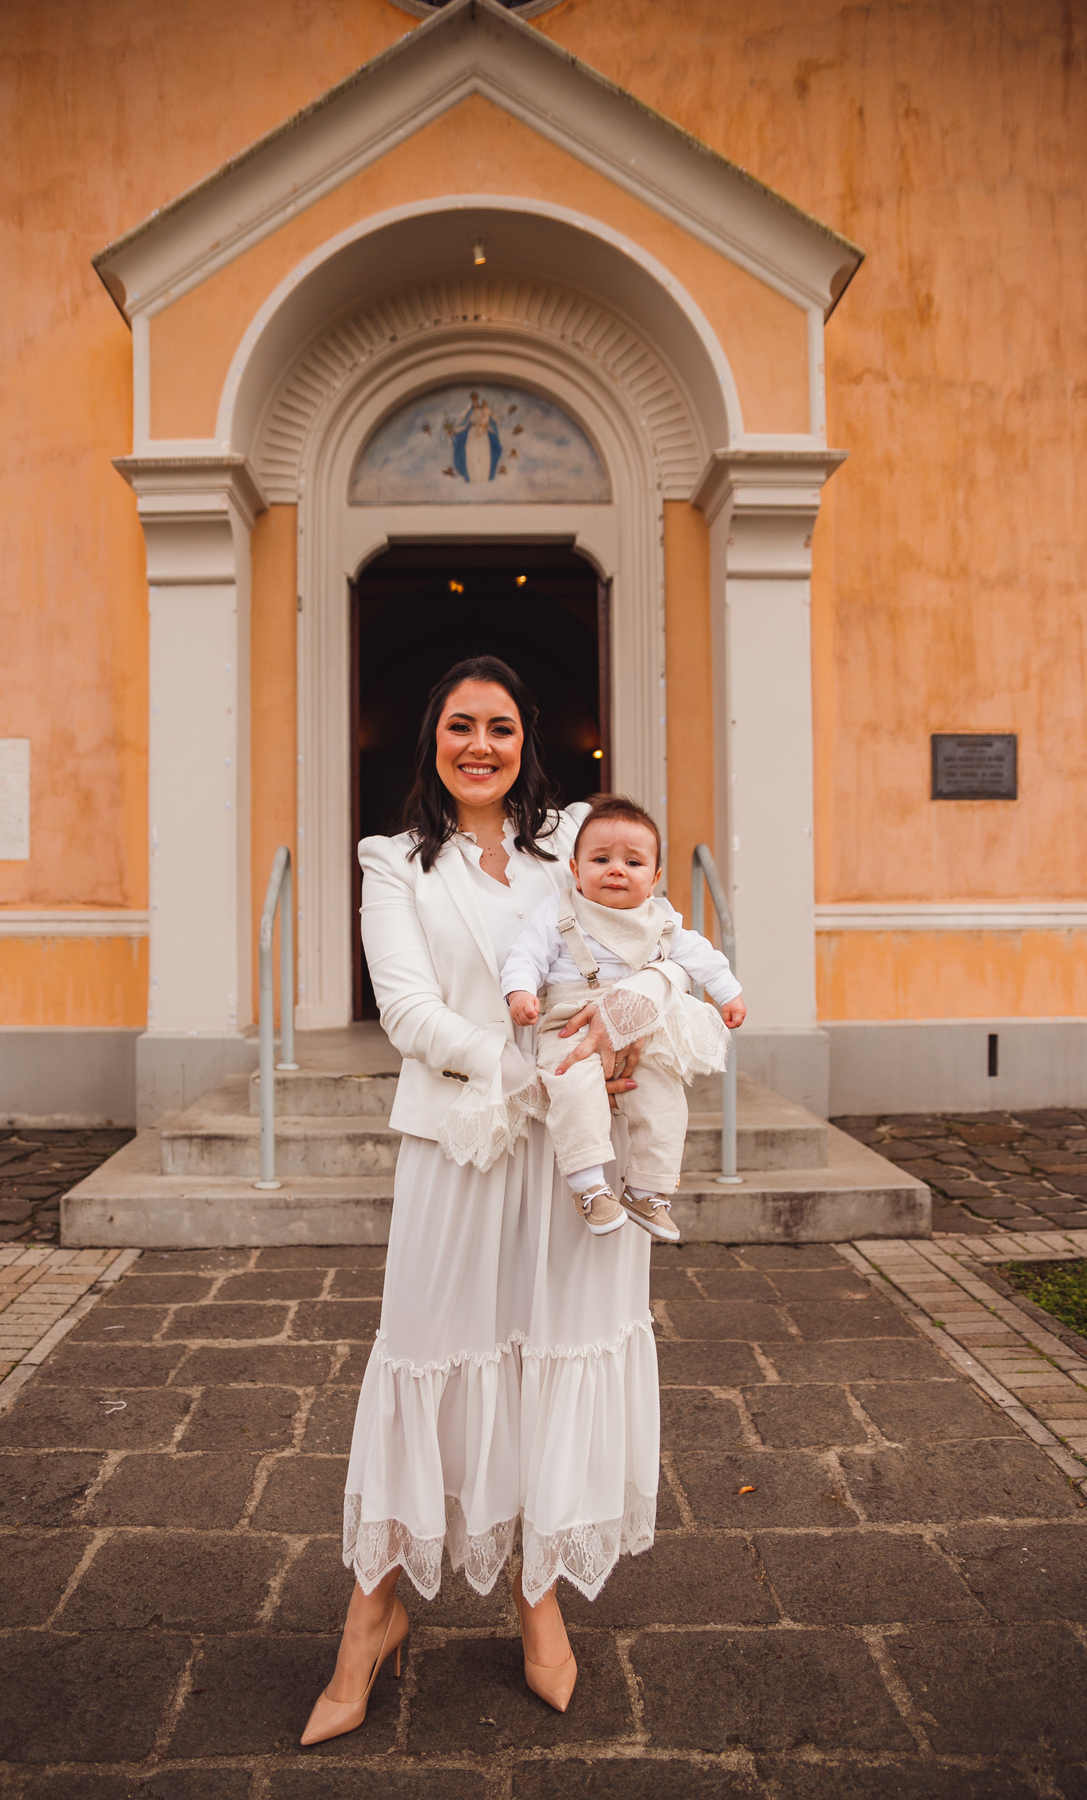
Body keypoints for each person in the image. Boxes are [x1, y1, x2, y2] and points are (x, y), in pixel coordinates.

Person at [301, 656, 660, 1746]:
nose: (481, 746)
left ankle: (536, 1592)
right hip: (460, 1147)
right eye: (461, 726)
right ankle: (374, 1612)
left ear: (526, 739)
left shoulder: (571, 840)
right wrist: (527, 1068)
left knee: (551, 1351)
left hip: (575, 1156)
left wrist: (623, 1027)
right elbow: (407, 1010)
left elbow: (646, 936)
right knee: (430, 1350)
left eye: (499, 727)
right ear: (433, 739)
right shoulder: (395, 863)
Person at [500, 794, 746, 1241]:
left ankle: (648, 1190)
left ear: (654, 878)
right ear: (575, 870)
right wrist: (520, 992)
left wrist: (728, 992)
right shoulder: (559, 910)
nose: (616, 869)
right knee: (570, 1082)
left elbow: (701, 956)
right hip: (567, 1020)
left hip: (639, 1029)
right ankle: (589, 1186)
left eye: (633, 863)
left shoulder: (662, 918)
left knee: (665, 1097)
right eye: (601, 859)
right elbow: (525, 956)